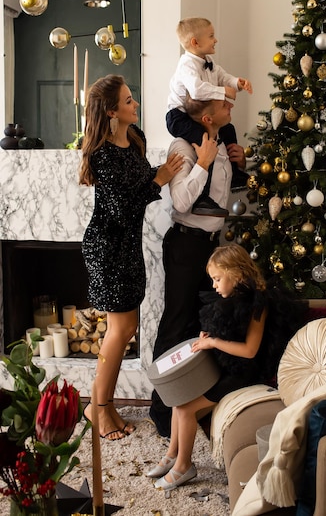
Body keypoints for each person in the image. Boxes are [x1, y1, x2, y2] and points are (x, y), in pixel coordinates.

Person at [146, 244, 306, 490]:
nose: (214, 285)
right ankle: (172, 456)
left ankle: (184, 466)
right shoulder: (233, 298)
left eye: (218, 279)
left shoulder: (257, 303)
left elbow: (250, 350)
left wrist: (214, 342)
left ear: (237, 274)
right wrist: (210, 336)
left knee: (187, 409)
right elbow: (231, 331)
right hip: (228, 366)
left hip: (243, 373)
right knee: (179, 401)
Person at [79, 74, 183, 441]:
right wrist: (159, 179)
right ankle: (99, 408)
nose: (134, 104)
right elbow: (122, 209)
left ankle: (101, 405)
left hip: (128, 247)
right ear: (111, 112)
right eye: (127, 101)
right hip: (108, 248)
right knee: (120, 330)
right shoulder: (102, 154)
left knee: (124, 329)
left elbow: (136, 187)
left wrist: (158, 175)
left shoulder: (133, 140)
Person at [149, 93, 243, 438]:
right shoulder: (184, 147)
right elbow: (181, 200)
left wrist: (238, 162)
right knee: (175, 325)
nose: (230, 109)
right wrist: (202, 162)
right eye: (224, 105)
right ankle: (161, 415)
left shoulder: (219, 141)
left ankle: (189, 408)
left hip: (210, 247)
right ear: (207, 116)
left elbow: (219, 196)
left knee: (202, 325)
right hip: (185, 245)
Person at [167, 17, 252, 216]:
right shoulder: (187, 64)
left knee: (228, 130)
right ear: (195, 42)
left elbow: (223, 76)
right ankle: (202, 198)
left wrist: (237, 83)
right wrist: (224, 92)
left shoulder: (208, 61)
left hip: (195, 114)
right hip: (179, 116)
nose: (216, 40)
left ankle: (236, 173)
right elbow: (196, 91)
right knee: (207, 143)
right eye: (211, 36)